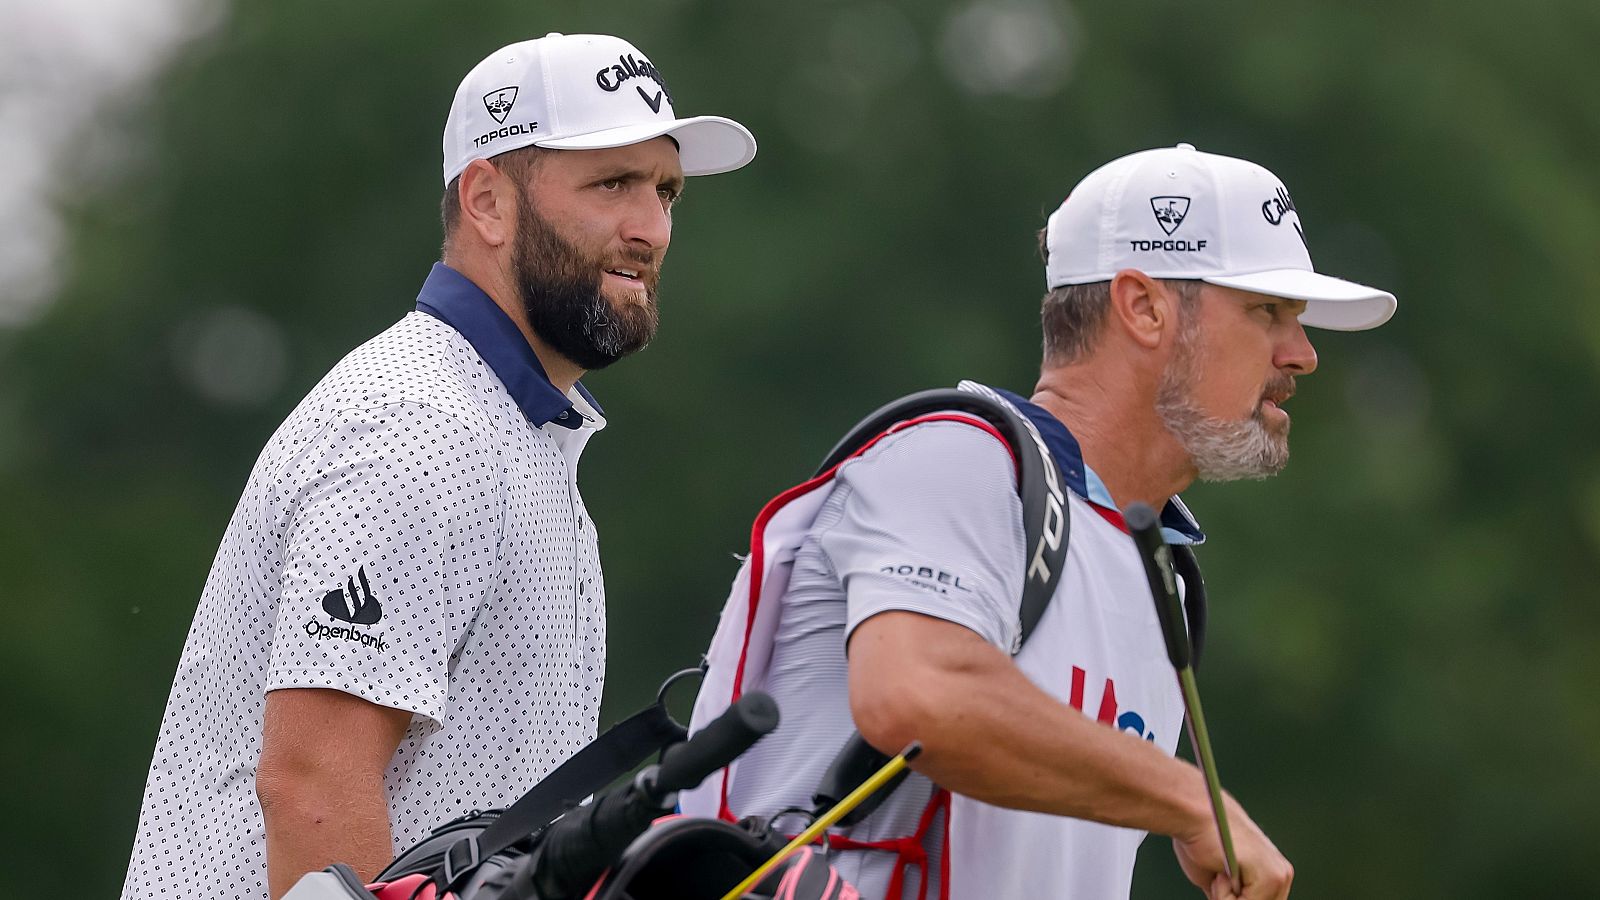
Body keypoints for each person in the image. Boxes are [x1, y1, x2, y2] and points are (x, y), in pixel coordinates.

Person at [121, 33, 756, 900]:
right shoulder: (418, 426)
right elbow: (313, 788)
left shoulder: (511, 431)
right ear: (488, 202)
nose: (652, 228)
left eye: (666, 191)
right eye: (612, 184)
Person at [681, 143, 1396, 900]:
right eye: (1267, 311)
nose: (1303, 354)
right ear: (1143, 307)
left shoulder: (1161, 570)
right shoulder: (958, 457)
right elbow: (917, 696)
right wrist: (1188, 800)